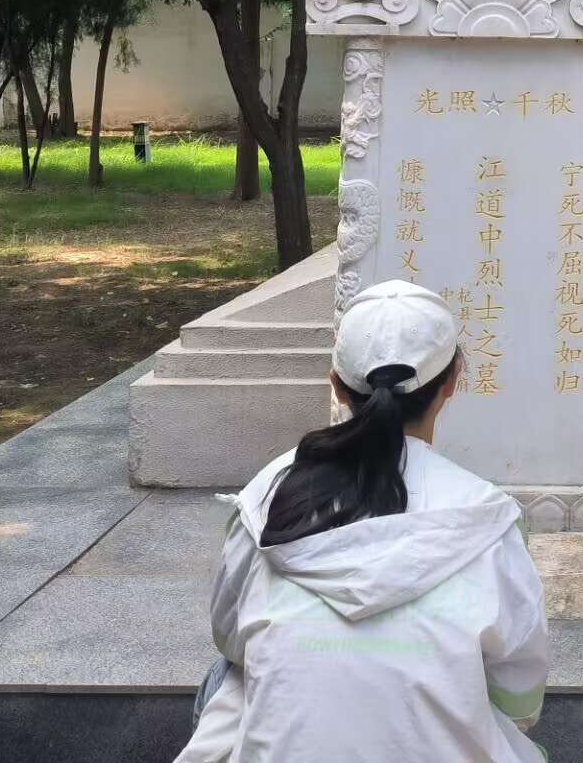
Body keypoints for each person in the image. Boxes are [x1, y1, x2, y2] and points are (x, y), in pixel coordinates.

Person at [175, 279, 548, 763]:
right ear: (453, 381)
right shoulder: (485, 519)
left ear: (336, 384)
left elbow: (230, 637)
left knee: (226, 676)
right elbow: (520, 696)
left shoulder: (267, 499)